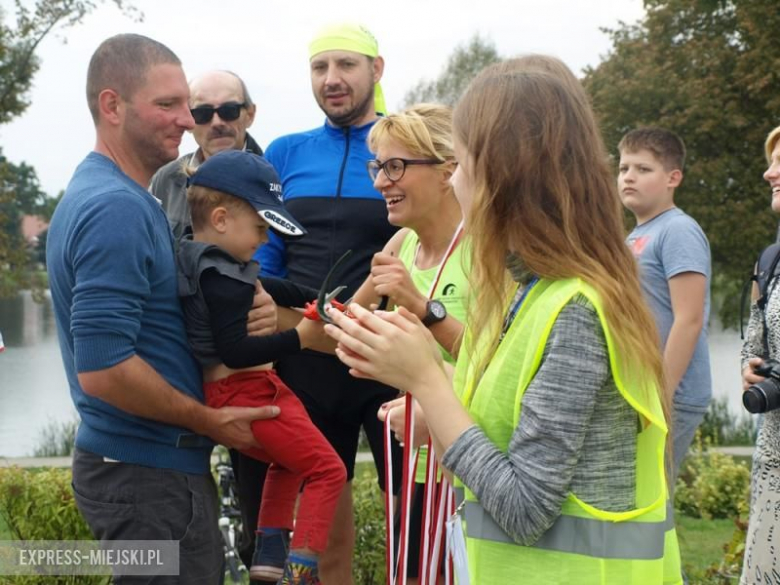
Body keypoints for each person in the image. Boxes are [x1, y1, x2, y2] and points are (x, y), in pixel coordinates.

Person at [324, 56, 683, 584]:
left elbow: (523, 509)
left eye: (462, 162)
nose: (456, 180)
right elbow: (509, 431)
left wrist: (427, 378)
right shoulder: (535, 292)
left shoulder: (577, 309)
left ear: (501, 175)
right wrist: (430, 395)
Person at [46, 34, 277, 584]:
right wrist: (210, 421)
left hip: (143, 472)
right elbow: (104, 369)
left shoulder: (119, 195)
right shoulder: (114, 209)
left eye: (186, 105)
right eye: (168, 105)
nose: (186, 120)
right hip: (146, 476)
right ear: (112, 105)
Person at [251, 22, 402, 583]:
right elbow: (264, 267)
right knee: (319, 544)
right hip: (309, 361)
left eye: (346, 65)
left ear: (376, 70)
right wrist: (289, 336)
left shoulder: (399, 148)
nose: (332, 79)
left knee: (412, 528)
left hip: (390, 359)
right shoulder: (286, 152)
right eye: (321, 68)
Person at [177, 149, 346, 584]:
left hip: (230, 394)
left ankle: (270, 557)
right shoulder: (226, 283)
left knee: (287, 463)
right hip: (252, 393)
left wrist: (322, 301)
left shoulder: (205, 264)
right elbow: (235, 352)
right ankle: (302, 567)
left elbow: (272, 283)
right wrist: (300, 339)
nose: (266, 239)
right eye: (259, 227)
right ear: (220, 219)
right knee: (329, 470)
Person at [351, 103, 469, 583]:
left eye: (396, 166)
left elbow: (500, 365)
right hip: (418, 465)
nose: (380, 181)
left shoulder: (487, 250)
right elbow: (350, 321)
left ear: (447, 171)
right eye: (378, 166)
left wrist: (422, 307)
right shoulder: (400, 244)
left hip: (472, 471)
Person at [619, 128, 712, 478]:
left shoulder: (678, 231)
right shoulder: (636, 235)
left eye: (643, 169)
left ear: (673, 177)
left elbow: (689, 319)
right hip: (643, 389)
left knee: (651, 497)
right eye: (624, 168)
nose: (629, 177)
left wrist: (660, 396)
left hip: (672, 393)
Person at [151, 69, 262, 242]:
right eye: (202, 114)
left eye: (229, 110)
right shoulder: (166, 180)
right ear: (188, 121)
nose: (217, 123)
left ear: (250, 115)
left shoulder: (275, 177)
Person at [740, 124, 780, 584]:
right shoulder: (770, 260)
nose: (769, 173)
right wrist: (749, 368)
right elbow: (754, 338)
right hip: (774, 456)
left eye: (779, 162)